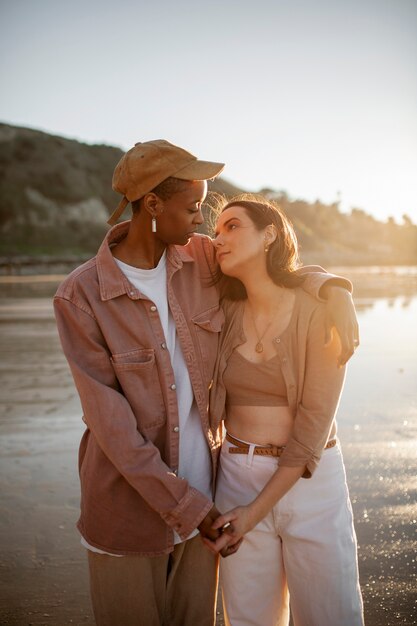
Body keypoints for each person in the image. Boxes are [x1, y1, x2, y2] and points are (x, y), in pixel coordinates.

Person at [53, 140, 359, 626]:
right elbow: (111, 426)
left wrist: (330, 287)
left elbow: (273, 264)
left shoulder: (201, 259)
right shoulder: (81, 295)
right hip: (133, 511)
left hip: (210, 500)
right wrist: (190, 508)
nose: (203, 224)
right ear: (153, 205)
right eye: (195, 207)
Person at [204, 196, 364, 626]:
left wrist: (333, 288)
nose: (219, 239)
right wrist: (332, 282)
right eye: (216, 231)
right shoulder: (223, 308)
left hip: (312, 479)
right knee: (249, 619)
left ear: (270, 233)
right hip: (236, 475)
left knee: (331, 615)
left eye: (232, 226)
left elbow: (313, 425)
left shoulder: (320, 312)